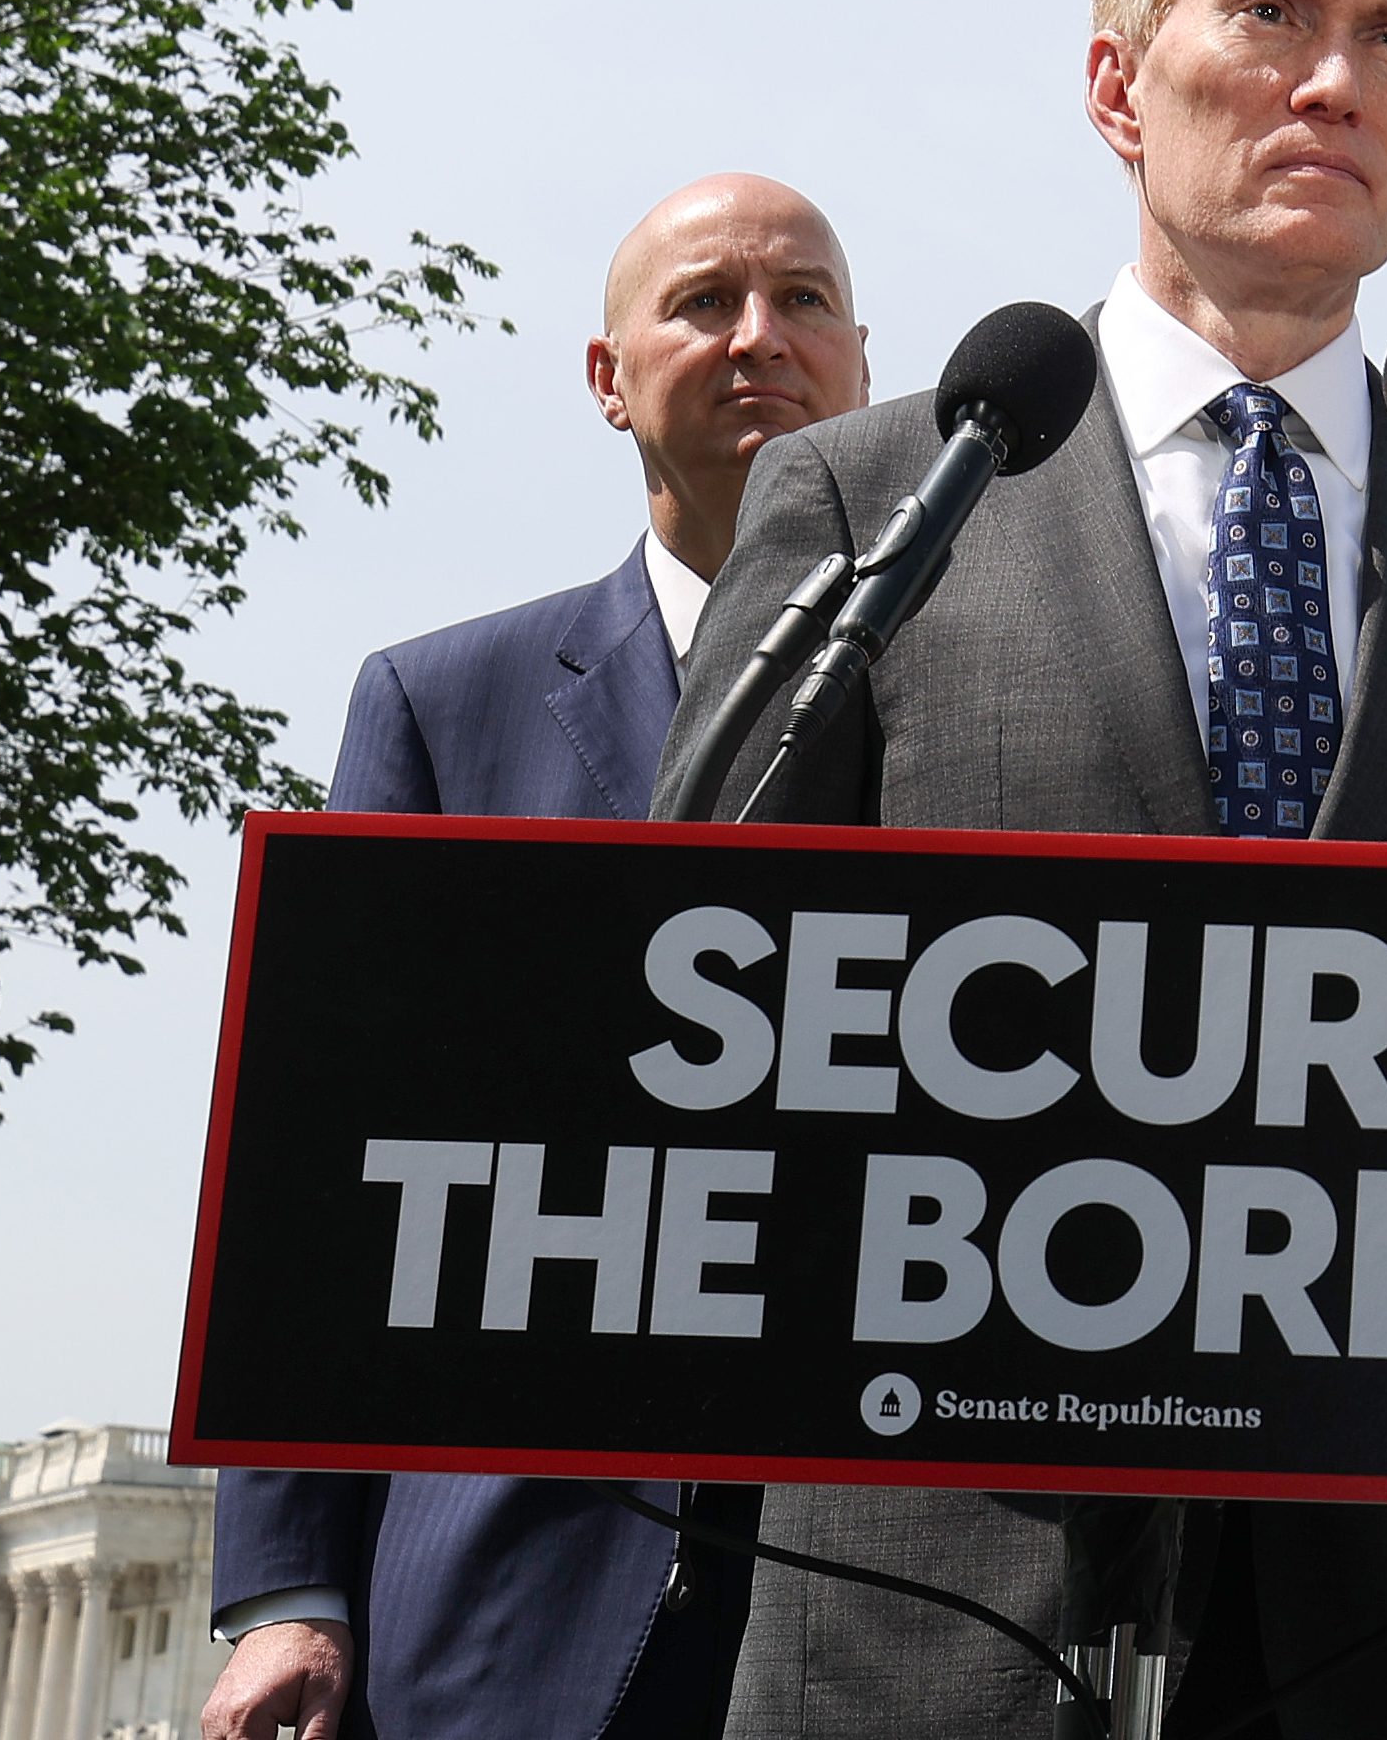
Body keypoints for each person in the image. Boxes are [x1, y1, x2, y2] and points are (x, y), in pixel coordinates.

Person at [654, 0, 1387, 1740]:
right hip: (942, 1584)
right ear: (1118, 86)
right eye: (1268, 12)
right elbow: (697, 982)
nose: (1334, 77)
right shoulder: (880, 496)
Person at [203, 172, 872, 1740]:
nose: (759, 338)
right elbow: (326, 1156)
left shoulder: (987, 706)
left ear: (862, 365)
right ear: (607, 377)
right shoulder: (448, 706)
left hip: (881, 1600)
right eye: (705, 302)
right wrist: (291, 1586)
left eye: (806, 303)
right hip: (516, 1601)